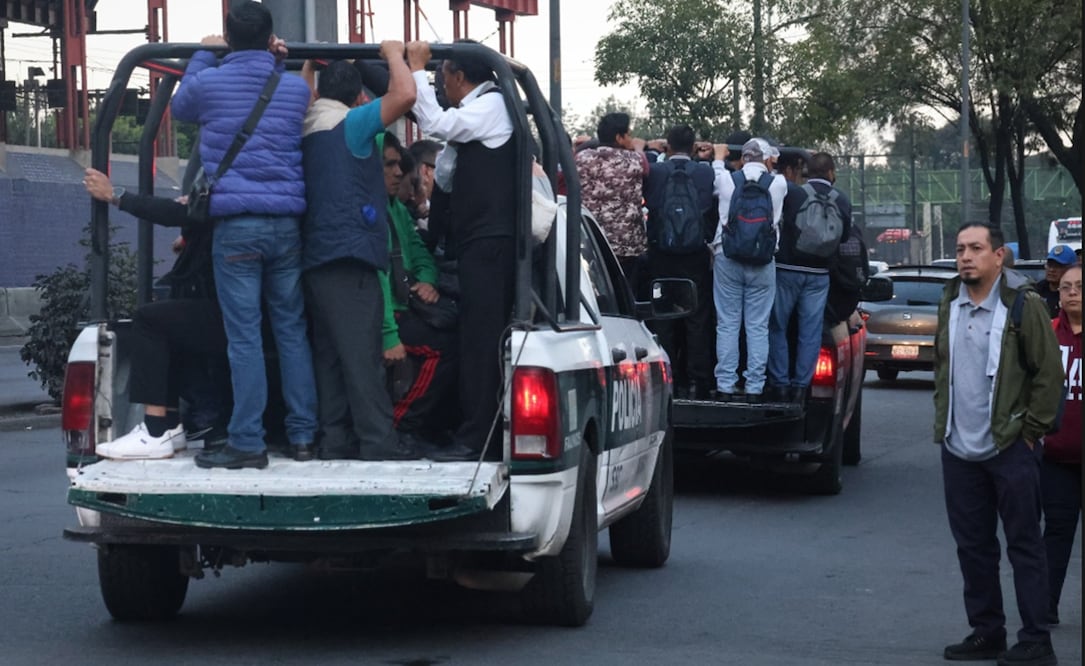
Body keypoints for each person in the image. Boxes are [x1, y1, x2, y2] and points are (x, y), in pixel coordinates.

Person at [170, 1, 317, 469]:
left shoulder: (210, 83)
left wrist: (202, 54)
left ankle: (248, 441)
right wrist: (273, 61)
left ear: (228, 37)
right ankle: (303, 436)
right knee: (292, 330)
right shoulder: (293, 89)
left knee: (245, 337)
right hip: (286, 226)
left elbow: (181, 105)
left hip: (236, 228)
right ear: (271, 37)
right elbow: (277, 96)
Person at [934, 223, 1063, 665]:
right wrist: (944, 426)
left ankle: (1035, 640)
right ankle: (986, 631)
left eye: (975, 249)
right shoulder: (949, 299)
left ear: (999, 256)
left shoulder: (1023, 306)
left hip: (1010, 447)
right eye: (959, 249)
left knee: (1024, 544)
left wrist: (1030, 433)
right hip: (958, 448)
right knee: (973, 547)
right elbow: (943, 369)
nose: (965, 257)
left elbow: (1049, 377)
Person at [297, 51, 418, 461]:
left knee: (329, 355)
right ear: (355, 97)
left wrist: (309, 70)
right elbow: (404, 94)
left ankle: (336, 439)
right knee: (363, 356)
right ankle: (379, 442)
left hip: (316, 256)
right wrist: (390, 53)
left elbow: (308, 99)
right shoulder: (350, 125)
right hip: (351, 255)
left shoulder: (307, 124)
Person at [406, 39, 514, 461]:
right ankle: (469, 430)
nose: (440, 85)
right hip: (477, 242)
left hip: (488, 243)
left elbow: (434, 122)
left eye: (440, 77)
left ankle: (476, 439)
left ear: (457, 76)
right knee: (475, 336)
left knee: (481, 341)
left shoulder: (488, 108)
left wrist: (414, 68)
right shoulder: (487, 109)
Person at [83, 168, 230, 459]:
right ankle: (171, 423)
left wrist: (116, 196)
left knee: (150, 320)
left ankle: (154, 430)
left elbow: (176, 214)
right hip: (242, 307)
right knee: (171, 321)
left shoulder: (236, 177)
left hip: (234, 310)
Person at [378, 133, 459, 442]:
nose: (399, 173)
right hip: (389, 316)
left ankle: (433, 425)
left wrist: (428, 281)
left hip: (406, 304)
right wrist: (389, 335)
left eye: (400, 165)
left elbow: (420, 253)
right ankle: (403, 424)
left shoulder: (396, 210)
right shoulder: (369, 213)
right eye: (390, 165)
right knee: (444, 349)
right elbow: (378, 278)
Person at [768, 153, 851, 404]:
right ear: (831, 173)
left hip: (787, 270)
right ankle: (801, 387)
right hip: (819, 276)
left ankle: (780, 383)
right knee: (810, 331)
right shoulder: (843, 200)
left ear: (807, 172)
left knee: (777, 325)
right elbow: (845, 237)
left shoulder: (794, 194)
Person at [710, 138, 787, 402]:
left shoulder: (726, 180)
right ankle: (755, 387)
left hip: (727, 258)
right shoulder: (778, 183)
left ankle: (725, 385)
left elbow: (716, 173)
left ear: (743, 158)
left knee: (728, 323)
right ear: (766, 159)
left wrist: (719, 156)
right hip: (763, 261)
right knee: (757, 326)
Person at [643, 125, 717, 400]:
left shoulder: (656, 170)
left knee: (663, 316)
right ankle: (698, 382)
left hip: (660, 256)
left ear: (668, 146)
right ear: (694, 145)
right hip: (695, 257)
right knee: (697, 318)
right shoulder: (706, 172)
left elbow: (643, 163)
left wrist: (651, 148)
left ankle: (669, 378)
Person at [1040, 264, 1081, 627]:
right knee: (1055, 532)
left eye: (1080, 286)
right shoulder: (1050, 334)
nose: (1071, 292)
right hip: (1055, 457)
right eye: (1066, 287)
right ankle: (1044, 607)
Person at [575, 112, 650, 298]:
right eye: (629, 135)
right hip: (626, 244)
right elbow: (646, 168)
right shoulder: (634, 160)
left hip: (591, 239)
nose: (631, 139)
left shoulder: (581, 158)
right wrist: (640, 148)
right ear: (619, 137)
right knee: (626, 292)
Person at [1036, 244, 1075, 317]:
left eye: (1057, 266)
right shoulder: (1037, 289)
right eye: (1050, 265)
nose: (1051, 270)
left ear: (1070, 269)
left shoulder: (1074, 294)